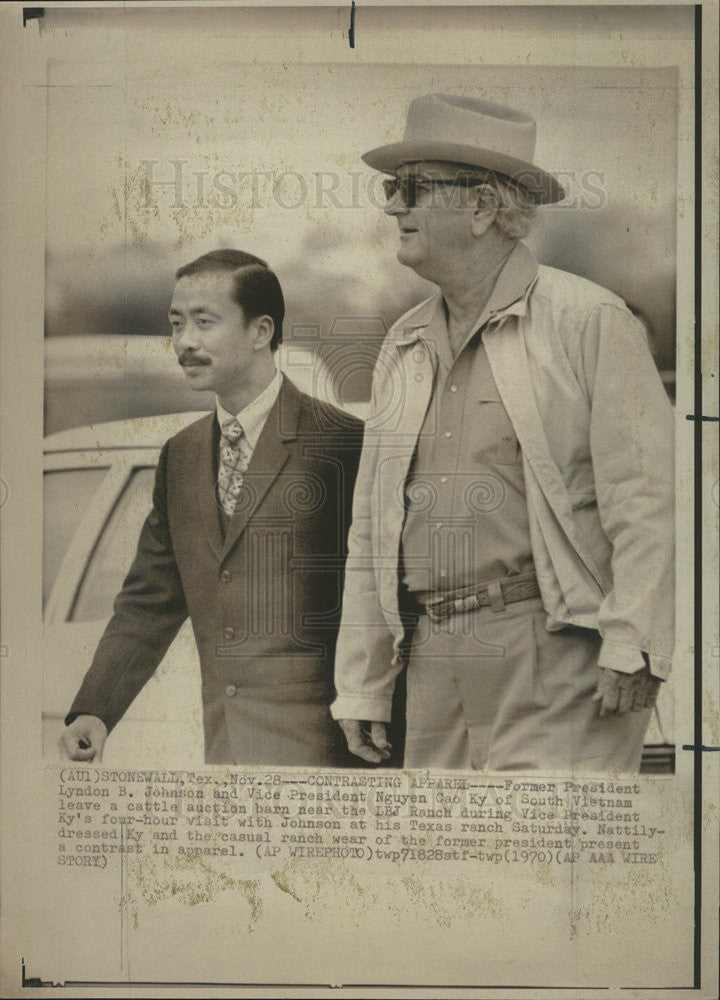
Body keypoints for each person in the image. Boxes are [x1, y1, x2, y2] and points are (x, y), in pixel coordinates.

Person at [331, 94, 674, 773]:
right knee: (446, 876)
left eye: (411, 189)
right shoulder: (402, 344)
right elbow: (371, 529)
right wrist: (363, 684)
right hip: (432, 664)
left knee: (544, 873)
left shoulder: (591, 322)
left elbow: (649, 499)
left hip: (557, 657)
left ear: (483, 207)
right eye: (391, 190)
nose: (393, 208)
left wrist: (634, 641)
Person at [59, 249, 362, 766]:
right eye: (176, 325)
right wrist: (96, 708)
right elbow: (149, 598)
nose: (185, 343)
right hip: (224, 751)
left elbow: (378, 601)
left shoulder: (341, 443)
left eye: (204, 322)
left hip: (328, 754)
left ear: (261, 330)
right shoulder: (181, 455)